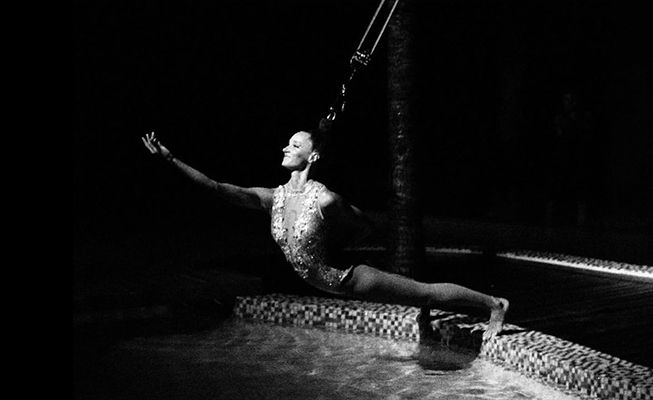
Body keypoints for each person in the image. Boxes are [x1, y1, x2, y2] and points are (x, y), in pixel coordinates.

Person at [141, 129, 509, 339]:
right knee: (417, 293)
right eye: (288, 143)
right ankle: (428, 307)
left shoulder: (326, 199)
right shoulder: (273, 197)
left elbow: (365, 224)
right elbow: (216, 187)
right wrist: (170, 159)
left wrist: (345, 245)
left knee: (423, 292)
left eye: (295, 145)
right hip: (323, 282)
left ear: (313, 156)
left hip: (348, 279)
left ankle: (494, 304)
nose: (285, 147)